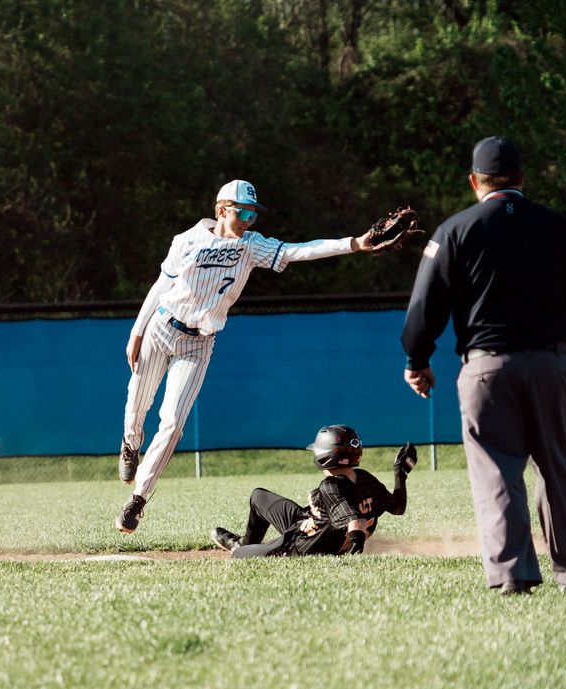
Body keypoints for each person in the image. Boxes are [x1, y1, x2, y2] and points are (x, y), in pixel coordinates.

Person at [401, 137, 566, 595]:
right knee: (557, 465)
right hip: (551, 363)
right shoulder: (558, 227)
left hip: (486, 368)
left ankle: (514, 576)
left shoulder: (455, 230)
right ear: (522, 178)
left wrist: (417, 360)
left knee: (497, 471)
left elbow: (424, 305)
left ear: (473, 181)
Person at [116, 180, 377, 533]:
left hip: (199, 342)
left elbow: (299, 251)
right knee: (137, 405)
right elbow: (161, 286)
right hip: (162, 328)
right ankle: (130, 444)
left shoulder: (251, 246)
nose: (248, 219)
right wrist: (137, 330)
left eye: (253, 213)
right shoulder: (188, 240)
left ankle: (138, 499)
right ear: (221, 209)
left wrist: (354, 244)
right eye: (242, 211)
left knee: (174, 422)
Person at [211, 425, 415, 558]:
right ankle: (244, 541)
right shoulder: (364, 478)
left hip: (300, 545)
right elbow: (397, 507)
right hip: (310, 523)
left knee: (240, 556)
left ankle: (241, 548)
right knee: (258, 496)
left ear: (325, 456)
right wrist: (400, 475)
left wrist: (354, 553)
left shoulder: (331, 486)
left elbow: (356, 522)